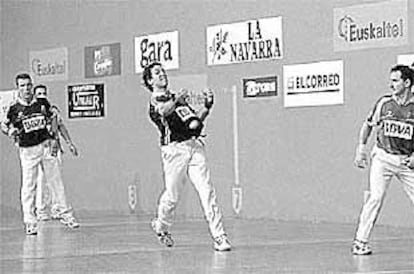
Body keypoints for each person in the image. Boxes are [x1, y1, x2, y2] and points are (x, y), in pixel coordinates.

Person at [142, 62, 231, 252]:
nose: (162, 75)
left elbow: (194, 123)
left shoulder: (176, 98)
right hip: (174, 151)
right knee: (172, 197)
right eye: (157, 73)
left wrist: (207, 107)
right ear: (150, 80)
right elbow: (164, 111)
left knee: (207, 192)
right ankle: (161, 225)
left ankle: (219, 237)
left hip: (194, 147)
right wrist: (176, 101)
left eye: (163, 72)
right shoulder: (154, 101)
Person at [1, 73, 79, 235]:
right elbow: (5, 126)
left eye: (29, 85)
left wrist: (56, 140)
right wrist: (10, 131)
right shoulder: (14, 109)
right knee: (29, 186)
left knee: (55, 182)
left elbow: (54, 120)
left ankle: (66, 214)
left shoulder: (42, 103)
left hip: (45, 146)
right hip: (28, 151)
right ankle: (30, 222)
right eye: (22, 85)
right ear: (18, 88)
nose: (27, 88)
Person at [352, 65, 414, 255]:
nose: (391, 84)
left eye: (395, 81)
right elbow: (368, 125)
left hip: (406, 163)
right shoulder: (384, 103)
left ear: (407, 83)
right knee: (375, 197)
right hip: (383, 158)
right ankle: (360, 242)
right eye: (391, 80)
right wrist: (361, 148)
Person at [32, 84, 79, 222]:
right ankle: (40, 210)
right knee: (41, 180)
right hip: (39, 149)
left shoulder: (53, 111)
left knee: (55, 179)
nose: (42, 95)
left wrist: (69, 143)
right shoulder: (32, 111)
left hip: (54, 148)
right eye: (39, 93)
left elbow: (61, 127)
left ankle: (56, 208)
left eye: (44, 93)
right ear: (34, 95)